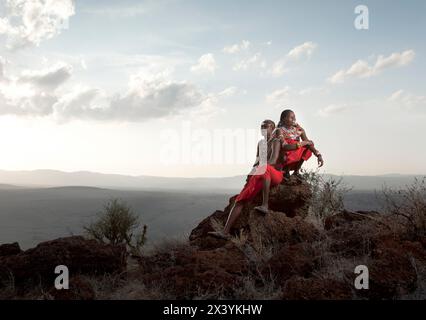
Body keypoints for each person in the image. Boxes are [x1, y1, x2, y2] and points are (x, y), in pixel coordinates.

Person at [208, 119, 284, 240]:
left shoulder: (276, 141)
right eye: (262, 126)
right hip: (262, 173)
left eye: (267, 126)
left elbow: (274, 160)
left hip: (275, 174)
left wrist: (260, 168)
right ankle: (225, 232)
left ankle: (265, 204)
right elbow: (257, 160)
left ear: (273, 128)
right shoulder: (261, 143)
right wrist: (252, 172)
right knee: (240, 199)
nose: (263, 128)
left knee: (265, 168)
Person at [275, 109, 324, 179]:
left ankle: (296, 171)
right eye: (291, 117)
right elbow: (285, 147)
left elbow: (308, 143)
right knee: (295, 143)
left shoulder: (299, 129)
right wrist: (302, 143)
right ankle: (286, 170)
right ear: (283, 119)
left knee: (309, 147)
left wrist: (318, 155)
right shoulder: (279, 130)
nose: (294, 119)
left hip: (295, 154)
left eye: (294, 117)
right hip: (283, 156)